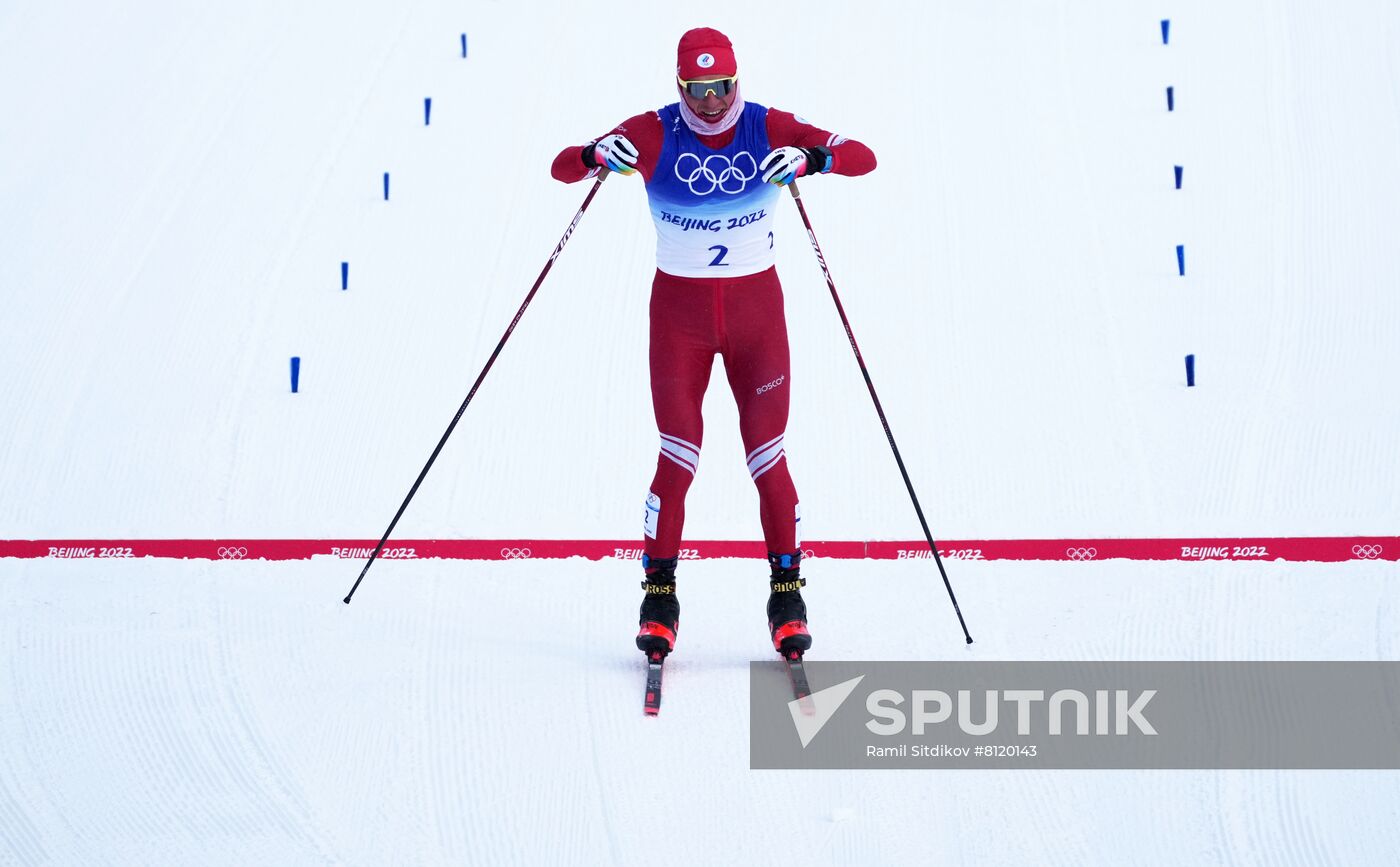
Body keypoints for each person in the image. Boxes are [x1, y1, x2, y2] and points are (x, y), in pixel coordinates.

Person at [551, 27, 876, 661]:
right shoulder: (651, 131)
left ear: (737, 80)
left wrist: (816, 159)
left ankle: (787, 597)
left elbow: (862, 154)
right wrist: (597, 154)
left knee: (768, 460)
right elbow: (562, 167)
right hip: (681, 323)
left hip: (758, 321)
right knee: (677, 458)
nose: (711, 101)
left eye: (722, 86)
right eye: (698, 90)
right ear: (680, 87)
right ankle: (659, 598)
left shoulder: (766, 125)